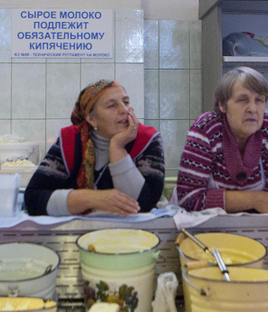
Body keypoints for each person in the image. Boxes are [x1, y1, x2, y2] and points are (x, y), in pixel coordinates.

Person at [25, 79, 165, 216]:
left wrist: (117, 148)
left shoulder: (148, 139)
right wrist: (93, 199)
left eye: (126, 102)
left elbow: (144, 205)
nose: (124, 110)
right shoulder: (71, 140)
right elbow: (34, 200)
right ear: (92, 119)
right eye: (112, 105)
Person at [173, 66, 268, 213]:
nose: (253, 109)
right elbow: (189, 199)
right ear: (223, 105)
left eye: (259, 100)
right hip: (204, 226)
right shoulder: (206, 128)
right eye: (243, 100)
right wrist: (254, 200)